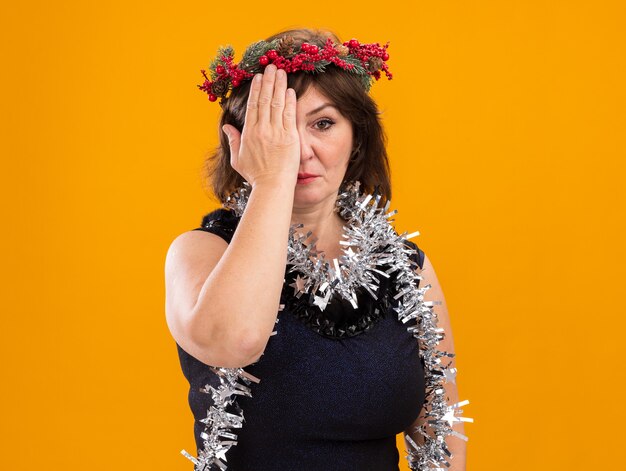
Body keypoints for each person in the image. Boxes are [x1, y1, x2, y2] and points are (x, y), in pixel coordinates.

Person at [165, 28, 471, 471]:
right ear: (241, 144)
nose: (299, 151)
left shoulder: (406, 267)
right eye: (277, 130)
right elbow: (237, 341)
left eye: (322, 124)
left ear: (357, 138)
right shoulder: (199, 251)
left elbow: (439, 427)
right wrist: (271, 179)